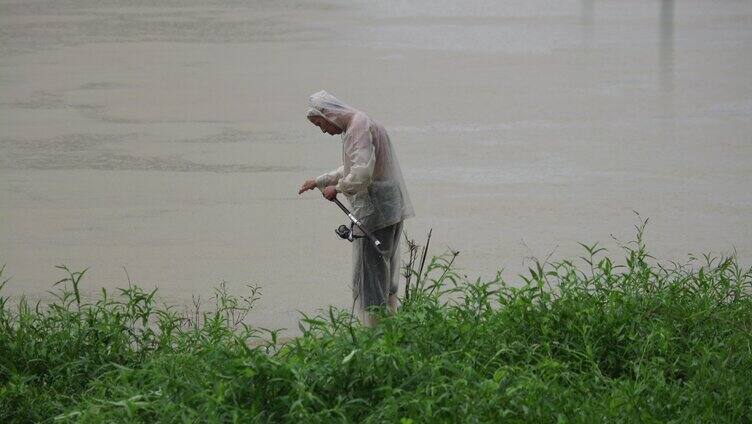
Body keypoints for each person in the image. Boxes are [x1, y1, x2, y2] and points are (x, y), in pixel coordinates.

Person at [298, 90, 414, 327]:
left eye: (321, 124)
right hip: (388, 208)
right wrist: (320, 181)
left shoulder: (357, 128)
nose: (324, 131)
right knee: (385, 272)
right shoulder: (362, 122)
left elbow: (360, 175)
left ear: (329, 114)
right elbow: (354, 165)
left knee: (369, 278)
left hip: (374, 212)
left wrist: (337, 189)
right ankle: (391, 325)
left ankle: (372, 334)